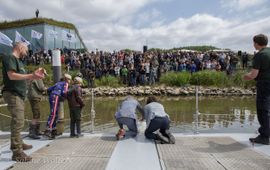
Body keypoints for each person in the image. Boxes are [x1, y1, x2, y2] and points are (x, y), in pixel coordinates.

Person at [1, 42, 45, 162]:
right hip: (13, 94)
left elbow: (23, 76)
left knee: (18, 120)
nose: (27, 52)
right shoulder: (10, 57)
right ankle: (17, 152)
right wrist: (31, 75)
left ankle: (17, 143)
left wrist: (34, 75)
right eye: (26, 49)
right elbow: (11, 76)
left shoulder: (19, 61)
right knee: (18, 121)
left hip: (19, 95)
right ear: (20, 48)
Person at [244, 34, 270, 145]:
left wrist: (245, 77)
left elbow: (254, 75)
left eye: (253, 43)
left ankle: (264, 136)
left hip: (264, 84)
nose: (253, 45)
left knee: (262, 109)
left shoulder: (260, 55)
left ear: (256, 43)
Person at [44, 74, 72, 139]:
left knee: (55, 114)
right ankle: (48, 130)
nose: (70, 81)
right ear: (67, 79)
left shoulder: (57, 83)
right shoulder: (65, 84)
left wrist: (51, 94)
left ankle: (53, 130)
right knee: (53, 114)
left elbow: (49, 89)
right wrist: (66, 98)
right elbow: (64, 92)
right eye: (70, 80)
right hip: (56, 97)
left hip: (52, 96)